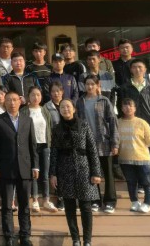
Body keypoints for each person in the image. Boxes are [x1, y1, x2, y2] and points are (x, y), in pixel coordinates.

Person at [50, 99, 101, 246]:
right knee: (69, 207)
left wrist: (96, 172)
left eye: (68, 106)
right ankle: (75, 239)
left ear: (74, 109)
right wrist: (53, 174)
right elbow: (54, 153)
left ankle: (87, 240)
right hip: (64, 170)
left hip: (84, 169)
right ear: (59, 111)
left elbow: (92, 149)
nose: (65, 109)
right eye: (62, 107)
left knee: (86, 207)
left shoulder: (83, 125)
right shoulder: (57, 129)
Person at [0, 91, 38, 246]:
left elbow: (32, 145)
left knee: (24, 205)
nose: (12, 103)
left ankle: (25, 236)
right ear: (4, 102)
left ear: (20, 102)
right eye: (9, 100)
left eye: (15, 100)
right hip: (6, 168)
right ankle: (9, 237)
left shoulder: (27, 120)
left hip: (25, 167)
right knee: (6, 205)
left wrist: (35, 166)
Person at [116, 58, 150, 193]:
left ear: (145, 70)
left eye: (140, 67)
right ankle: (140, 184)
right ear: (131, 70)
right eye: (134, 67)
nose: (137, 69)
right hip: (132, 125)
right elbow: (120, 107)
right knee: (135, 154)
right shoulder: (125, 87)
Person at [76, 74, 119, 214]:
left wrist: (115, 143)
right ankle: (95, 200)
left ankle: (110, 201)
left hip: (104, 142)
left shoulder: (104, 100)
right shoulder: (80, 101)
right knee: (92, 172)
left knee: (108, 172)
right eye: (87, 84)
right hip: (87, 143)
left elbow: (112, 122)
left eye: (92, 84)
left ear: (97, 85)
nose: (89, 86)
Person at [20, 86, 57, 213]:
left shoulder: (45, 110)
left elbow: (50, 127)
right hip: (31, 146)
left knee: (45, 174)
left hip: (45, 145)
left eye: (38, 95)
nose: (35, 97)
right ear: (28, 97)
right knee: (34, 173)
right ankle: (35, 200)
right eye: (33, 95)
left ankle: (46, 200)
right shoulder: (24, 111)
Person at [117, 98, 150, 213]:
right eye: (125, 105)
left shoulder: (142, 123)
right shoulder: (118, 123)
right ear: (121, 108)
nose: (128, 108)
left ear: (135, 108)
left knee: (147, 183)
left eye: (130, 105)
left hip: (142, 159)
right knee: (131, 182)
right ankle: (134, 202)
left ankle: (147, 203)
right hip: (125, 159)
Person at [44, 81, 65, 210]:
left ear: (62, 92)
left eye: (58, 91)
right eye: (53, 91)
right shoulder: (46, 107)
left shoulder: (67, 104)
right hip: (54, 142)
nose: (56, 93)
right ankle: (60, 197)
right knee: (57, 170)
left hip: (68, 142)